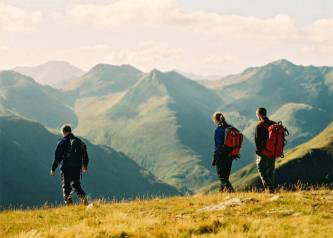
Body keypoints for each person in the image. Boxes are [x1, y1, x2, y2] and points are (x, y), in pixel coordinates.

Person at [50, 124, 89, 205]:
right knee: (76, 185)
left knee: (66, 187)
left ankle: (69, 206)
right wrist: (85, 165)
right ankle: (85, 201)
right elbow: (85, 154)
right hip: (77, 167)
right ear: (70, 131)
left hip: (66, 168)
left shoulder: (62, 142)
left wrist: (53, 169)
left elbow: (57, 157)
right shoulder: (79, 141)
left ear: (63, 132)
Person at [211, 112, 235, 192]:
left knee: (222, 177)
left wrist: (215, 158)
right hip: (230, 155)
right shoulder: (230, 128)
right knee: (225, 177)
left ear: (215, 120)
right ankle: (221, 194)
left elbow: (217, 146)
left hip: (221, 156)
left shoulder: (218, 130)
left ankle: (232, 192)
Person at [255, 107, 276, 193]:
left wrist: (259, 152)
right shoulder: (273, 124)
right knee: (270, 170)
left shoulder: (259, 125)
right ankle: (271, 191)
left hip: (263, 152)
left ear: (258, 115)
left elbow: (257, 141)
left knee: (262, 170)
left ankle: (270, 189)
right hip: (273, 152)